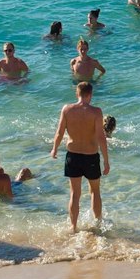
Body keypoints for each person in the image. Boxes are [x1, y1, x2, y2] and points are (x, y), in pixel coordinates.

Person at [51, 81, 109, 233]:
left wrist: (54, 149)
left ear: (77, 94)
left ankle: (73, 227)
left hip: (73, 155)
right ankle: (98, 225)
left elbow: (59, 132)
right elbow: (101, 137)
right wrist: (106, 161)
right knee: (95, 192)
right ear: (90, 95)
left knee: (75, 194)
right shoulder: (96, 112)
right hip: (91, 156)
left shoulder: (67, 109)